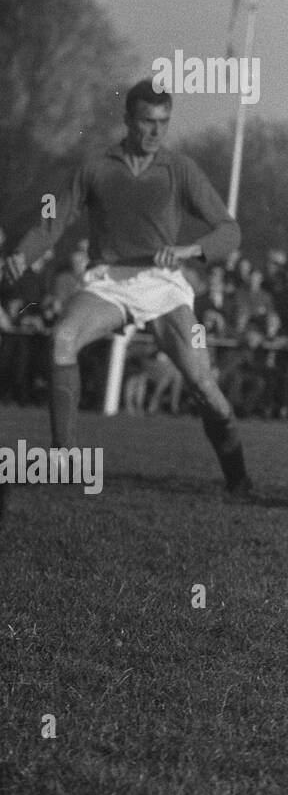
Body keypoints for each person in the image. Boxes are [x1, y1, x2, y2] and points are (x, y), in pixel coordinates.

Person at [1, 78, 255, 501]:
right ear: (128, 120)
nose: (155, 132)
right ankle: (64, 458)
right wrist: (22, 255)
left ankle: (238, 477)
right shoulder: (96, 166)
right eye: (146, 122)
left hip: (162, 285)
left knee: (204, 388)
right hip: (108, 282)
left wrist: (191, 249)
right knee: (62, 339)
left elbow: (230, 231)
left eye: (163, 123)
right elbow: (54, 220)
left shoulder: (181, 170)